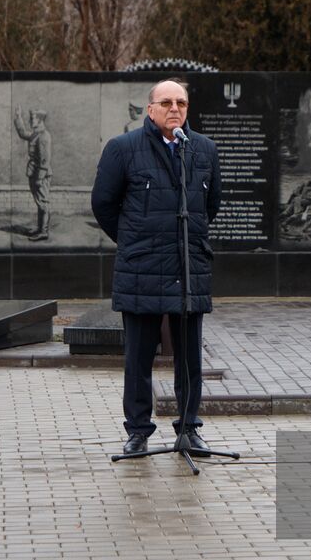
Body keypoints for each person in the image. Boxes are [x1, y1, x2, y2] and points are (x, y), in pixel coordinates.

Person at [91, 79, 222, 457]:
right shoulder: (123, 149)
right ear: (150, 109)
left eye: (181, 102)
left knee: (189, 357)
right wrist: (134, 241)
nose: (174, 108)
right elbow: (103, 204)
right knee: (138, 358)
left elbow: (210, 204)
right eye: (165, 102)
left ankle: (189, 428)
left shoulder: (203, 150)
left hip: (188, 268)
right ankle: (137, 431)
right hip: (141, 270)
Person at [14, 108, 52, 241]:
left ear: (40, 120)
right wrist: (18, 117)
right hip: (34, 172)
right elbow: (23, 133)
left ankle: (44, 232)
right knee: (39, 202)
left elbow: (44, 159)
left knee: (43, 202)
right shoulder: (36, 134)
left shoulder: (43, 136)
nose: (30, 121)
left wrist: (40, 178)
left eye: (32, 119)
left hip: (40, 174)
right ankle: (40, 228)